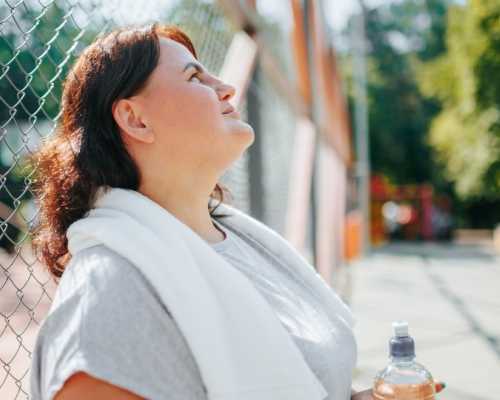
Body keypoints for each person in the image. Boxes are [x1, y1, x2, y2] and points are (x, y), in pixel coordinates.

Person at [27, 22, 426, 400]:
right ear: (135, 118)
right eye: (195, 78)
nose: (228, 88)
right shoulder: (108, 294)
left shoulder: (242, 241)